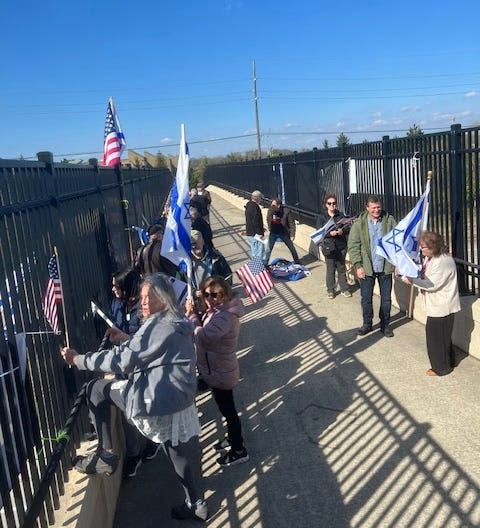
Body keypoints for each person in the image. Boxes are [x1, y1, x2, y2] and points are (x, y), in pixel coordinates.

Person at [61, 273, 208, 522]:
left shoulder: (156, 326)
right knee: (175, 451)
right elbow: (154, 350)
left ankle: (107, 453)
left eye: (150, 296)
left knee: (96, 389)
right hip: (177, 398)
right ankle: (196, 503)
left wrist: (77, 359)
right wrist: (129, 339)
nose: (144, 301)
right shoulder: (176, 319)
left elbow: (121, 360)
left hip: (156, 398)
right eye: (142, 297)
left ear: (163, 298)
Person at [185, 276, 249, 467]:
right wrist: (198, 307)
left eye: (215, 294)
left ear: (225, 293)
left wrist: (191, 316)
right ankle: (232, 439)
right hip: (216, 370)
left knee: (229, 411)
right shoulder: (218, 310)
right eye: (207, 294)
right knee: (225, 409)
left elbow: (203, 338)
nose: (210, 298)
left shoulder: (225, 316)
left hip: (221, 372)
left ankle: (239, 450)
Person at [109, 268, 160, 478]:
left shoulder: (144, 307)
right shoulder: (116, 304)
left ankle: (153, 440)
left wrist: (125, 338)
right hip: (123, 366)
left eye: (117, 286)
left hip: (142, 367)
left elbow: (148, 342)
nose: (113, 290)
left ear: (128, 287)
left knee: (147, 406)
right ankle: (134, 454)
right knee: (127, 412)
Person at [403, 231, 461, 376]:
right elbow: (424, 274)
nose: (421, 250)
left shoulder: (443, 261)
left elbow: (431, 284)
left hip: (443, 306)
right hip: (436, 305)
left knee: (436, 338)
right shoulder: (431, 258)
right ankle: (449, 361)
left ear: (433, 247)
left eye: (423, 247)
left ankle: (441, 368)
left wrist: (411, 280)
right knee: (442, 336)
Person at [347, 195, 396, 337]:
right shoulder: (359, 223)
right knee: (366, 298)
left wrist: (395, 263)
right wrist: (358, 265)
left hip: (385, 267)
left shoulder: (389, 220)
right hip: (366, 268)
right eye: (373, 207)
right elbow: (353, 245)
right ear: (367, 208)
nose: (376, 210)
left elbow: (396, 243)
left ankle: (385, 324)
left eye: (378, 207)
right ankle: (367, 324)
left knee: (386, 299)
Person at [316, 194, 352, 299]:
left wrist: (342, 231)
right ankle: (331, 290)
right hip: (329, 247)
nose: (332, 205)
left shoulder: (340, 215)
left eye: (334, 203)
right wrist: (329, 234)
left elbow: (347, 227)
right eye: (329, 203)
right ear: (326, 205)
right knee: (330, 268)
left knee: (341, 267)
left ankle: (344, 289)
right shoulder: (322, 217)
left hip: (340, 246)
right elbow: (318, 232)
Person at [190, 230, 232, 295]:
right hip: (197, 301)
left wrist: (218, 290)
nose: (194, 246)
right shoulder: (184, 263)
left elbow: (228, 277)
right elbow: (180, 284)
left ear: (202, 242)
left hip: (215, 299)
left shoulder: (216, 257)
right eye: (191, 244)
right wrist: (193, 293)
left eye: (196, 243)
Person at [265, 198, 300, 264]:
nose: (272, 206)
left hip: (284, 233)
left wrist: (292, 234)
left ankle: (297, 261)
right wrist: (270, 228)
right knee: (268, 249)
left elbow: (291, 223)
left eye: (273, 205)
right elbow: (268, 219)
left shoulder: (287, 211)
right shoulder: (271, 210)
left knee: (291, 248)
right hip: (274, 232)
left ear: (279, 205)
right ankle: (265, 264)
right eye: (271, 205)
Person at [245, 190, 267, 263]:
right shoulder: (255, 207)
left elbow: (251, 220)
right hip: (256, 234)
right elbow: (256, 221)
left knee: (254, 252)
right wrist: (259, 233)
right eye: (260, 198)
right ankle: (260, 270)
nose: (261, 200)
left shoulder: (248, 205)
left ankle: (255, 269)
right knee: (260, 253)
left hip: (250, 233)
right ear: (257, 198)